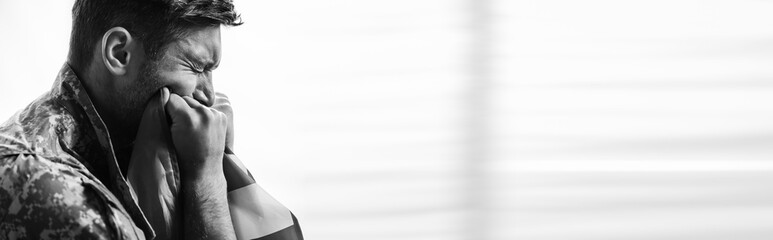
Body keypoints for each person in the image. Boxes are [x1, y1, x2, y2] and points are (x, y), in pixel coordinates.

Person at [0, 1, 302, 239]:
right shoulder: (56, 195)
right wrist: (207, 180)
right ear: (120, 54)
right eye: (197, 67)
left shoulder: (130, 148)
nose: (209, 96)